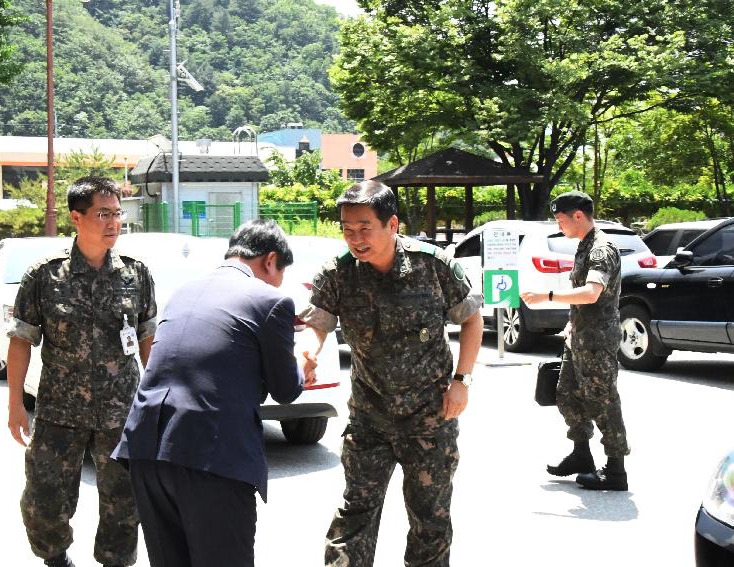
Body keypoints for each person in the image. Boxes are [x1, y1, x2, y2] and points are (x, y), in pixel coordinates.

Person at [299, 180, 484, 567]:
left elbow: (471, 320)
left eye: (365, 228)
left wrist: (461, 382)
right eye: (348, 229)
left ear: (392, 224)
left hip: (430, 419)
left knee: (430, 522)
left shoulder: (433, 265)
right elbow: (319, 322)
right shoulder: (339, 273)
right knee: (354, 517)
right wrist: (310, 352)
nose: (356, 238)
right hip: (370, 418)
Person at [112, 219, 308, 567]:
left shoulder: (185, 292)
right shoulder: (272, 300)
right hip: (210, 455)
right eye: (279, 274)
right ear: (269, 260)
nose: (278, 283)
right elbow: (286, 389)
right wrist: (301, 367)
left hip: (146, 451)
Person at [6, 176, 158, 567]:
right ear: (76, 217)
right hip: (59, 412)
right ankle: (56, 560)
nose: (113, 223)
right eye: (102, 214)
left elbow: (147, 339)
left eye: (117, 214)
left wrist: (155, 401)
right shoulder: (44, 275)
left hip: (120, 413)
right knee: (43, 502)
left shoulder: (136, 274)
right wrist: (15, 406)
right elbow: (22, 340)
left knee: (125, 507)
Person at [520, 190, 630, 491]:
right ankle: (582, 455)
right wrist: (570, 323)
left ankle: (616, 470)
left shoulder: (601, 249)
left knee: (603, 401)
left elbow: (592, 292)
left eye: (561, 220)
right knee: (565, 393)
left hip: (597, 340)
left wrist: (547, 296)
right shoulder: (583, 245)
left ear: (578, 216)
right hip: (580, 335)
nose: (559, 226)